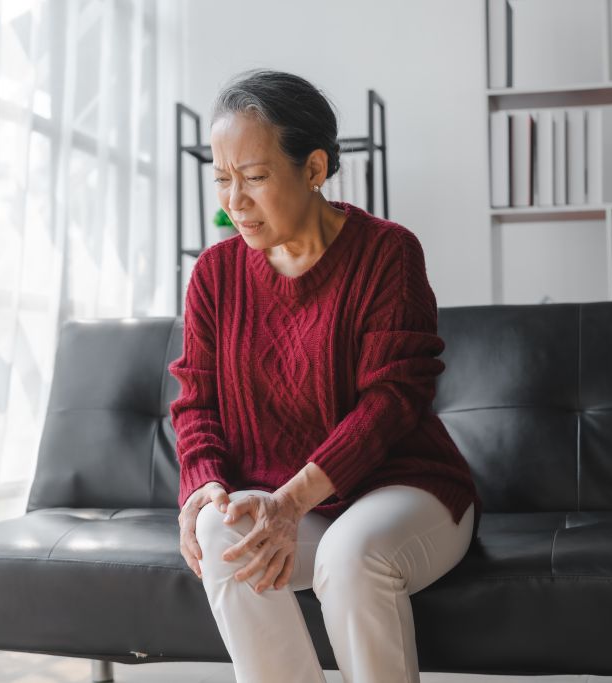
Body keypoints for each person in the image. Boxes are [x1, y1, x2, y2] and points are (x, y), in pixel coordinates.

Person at [168, 68, 482, 683]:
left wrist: (292, 500)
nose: (234, 202)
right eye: (222, 179)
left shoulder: (387, 252)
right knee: (220, 530)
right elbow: (196, 401)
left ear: (314, 169)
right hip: (294, 502)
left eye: (255, 177)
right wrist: (203, 485)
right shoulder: (215, 273)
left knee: (350, 552)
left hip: (405, 488)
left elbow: (392, 400)